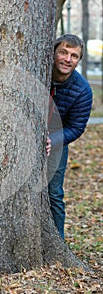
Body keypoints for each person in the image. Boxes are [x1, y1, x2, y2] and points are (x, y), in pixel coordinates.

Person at [48, 34, 93, 240]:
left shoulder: (82, 90)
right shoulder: (39, 71)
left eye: (74, 56)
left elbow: (76, 127)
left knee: (54, 194)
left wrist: (54, 140)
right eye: (63, 52)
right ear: (54, 53)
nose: (68, 59)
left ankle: (58, 241)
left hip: (57, 142)